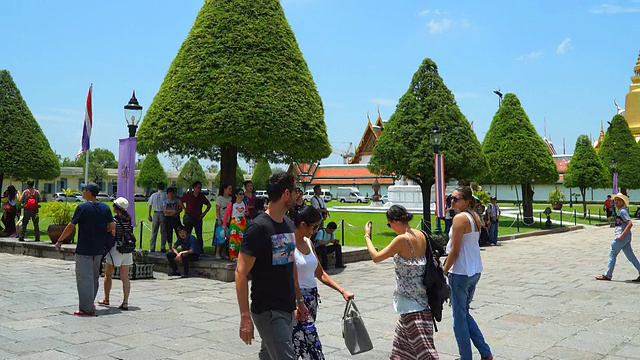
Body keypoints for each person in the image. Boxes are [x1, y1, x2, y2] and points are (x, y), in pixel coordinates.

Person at [235, 172, 309, 359]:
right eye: (294, 191)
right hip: (268, 310)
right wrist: (245, 316)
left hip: (286, 307)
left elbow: (290, 263)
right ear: (286, 194)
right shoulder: (258, 228)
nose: (297, 195)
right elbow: (240, 272)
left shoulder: (288, 224)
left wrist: (299, 299)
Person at [362, 205, 439, 359]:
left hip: (410, 302)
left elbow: (376, 257)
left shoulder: (402, 239)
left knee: (425, 352)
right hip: (421, 296)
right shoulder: (421, 234)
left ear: (394, 221)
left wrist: (367, 237)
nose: (391, 228)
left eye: (389, 224)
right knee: (401, 347)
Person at [292, 205, 354, 359]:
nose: (314, 231)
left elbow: (320, 273)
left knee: (300, 344)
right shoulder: (288, 245)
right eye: (313, 227)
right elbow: (287, 278)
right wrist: (297, 302)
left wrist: (341, 290)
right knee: (311, 343)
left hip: (311, 298)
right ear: (303, 224)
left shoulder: (308, 243)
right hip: (296, 298)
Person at [443, 186, 493, 360]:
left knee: (458, 320)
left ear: (466, 201)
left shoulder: (460, 219)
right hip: (474, 270)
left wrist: (444, 270)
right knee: (464, 312)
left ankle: (466, 357)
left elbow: (455, 251)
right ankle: (485, 352)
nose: (452, 201)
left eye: (455, 199)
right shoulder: (474, 216)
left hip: (461, 272)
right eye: (451, 198)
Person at [55, 183, 115, 316]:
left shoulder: (82, 207)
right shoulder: (105, 208)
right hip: (98, 248)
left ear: (88, 191)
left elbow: (71, 226)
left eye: (83, 190)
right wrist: (100, 232)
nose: (82, 192)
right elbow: (112, 226)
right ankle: (90, 301)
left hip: (84, 248)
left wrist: (60, 240)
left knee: (84, 278)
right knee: (94, 277)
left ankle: (86, 308)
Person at [99, 197, 134, 310]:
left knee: (108, 275)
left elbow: (112, 232)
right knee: (125, 277)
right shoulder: (128, 219)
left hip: (116, 249)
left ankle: (106, 298)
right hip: (127, 250)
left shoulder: (114, 220)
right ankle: (125, 302)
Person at [596, 193, 640, 282]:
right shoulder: (621, 210)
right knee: (630, 256)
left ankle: (608, 275)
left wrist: (621, 236)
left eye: (618, 200)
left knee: (612, 253)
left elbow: (630, 223)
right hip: (625, 237)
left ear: (623, 202)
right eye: (615, 200)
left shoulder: (622, 211)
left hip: (622, 237)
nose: (616, 202)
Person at [179, 181, 211, 251]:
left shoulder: (201, 197)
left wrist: (204, 213)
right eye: (197, 187)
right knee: (187, 233)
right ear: (194, 188)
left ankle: (200, 249)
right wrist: (184, 209)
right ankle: (186, 248)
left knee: (199, 234)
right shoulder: (188, 195)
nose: (199, 189)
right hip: (189, 216)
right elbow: (180, 201)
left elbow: (209, 205)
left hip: (198, 217)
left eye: (200, 187)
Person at [224, 188, 247, 262]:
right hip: (234, 222)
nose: (242, 196)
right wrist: (224, 224)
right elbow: (227, 214)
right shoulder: (232, 204)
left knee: (241, 239)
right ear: (236, 195)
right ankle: (233, 256)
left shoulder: (244, 203)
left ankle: (240, 255)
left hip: (242, 222)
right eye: (240, 194)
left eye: (243, 194)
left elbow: (246, 212)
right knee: (234, 239)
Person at [214, 184, 233, 259]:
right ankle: (217, 253)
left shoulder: (230, 199)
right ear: (225, 189)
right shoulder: (220, 198)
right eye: (229, 188)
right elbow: (217, 209)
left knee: (226, 237)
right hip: (220, 220)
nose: (230, 190)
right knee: (220, 237)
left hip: (227, 221)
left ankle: (224, 253)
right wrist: (219, 219)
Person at [147, 183, 167, 252]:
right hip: (162, 213)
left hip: (155, 213)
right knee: (163, 231)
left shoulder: (153, 195)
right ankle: (162, 247)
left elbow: (150, 205)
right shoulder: (165, 195)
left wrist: (149, 214)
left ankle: (152, 247)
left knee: (154, 231)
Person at [162, 187, 183, 252]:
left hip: (176, 218)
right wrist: (171, 211)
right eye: (169, 193)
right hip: (168, 218)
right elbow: (164, 210)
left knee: (178, 231)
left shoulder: (177, 200)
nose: (171, 194)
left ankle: (181, 245)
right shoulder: (165, 201)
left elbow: (181, 208)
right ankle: (170, 247)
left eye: (172, 193)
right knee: (169, 232)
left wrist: (176, 212)